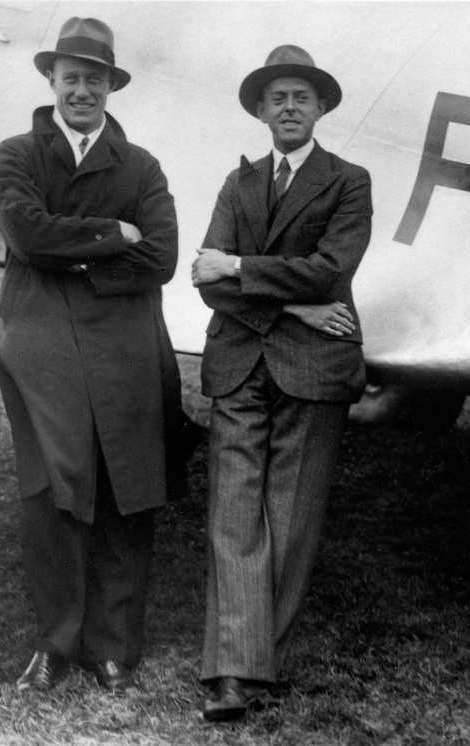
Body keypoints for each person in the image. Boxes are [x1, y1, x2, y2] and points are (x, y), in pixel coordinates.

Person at [0, 17, 180, 694]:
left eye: (94, 80)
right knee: (54, 491)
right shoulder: (17, 154)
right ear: (51, 80)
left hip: (125, 342)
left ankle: (114, 645)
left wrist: (76, 260)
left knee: (128, 487)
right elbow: (25, 233)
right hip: (38, 338)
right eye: (71, 77)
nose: (82, 90)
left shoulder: (140, 165)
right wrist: (111, 232)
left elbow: (161, 257)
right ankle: (56, 641)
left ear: (110, 86)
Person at [191, 44, 372, 722]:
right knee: (233, 514)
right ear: (261, 111)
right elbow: (206, 284)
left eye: (301, 95)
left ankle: (256, 661)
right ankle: (235, 673)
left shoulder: (349, 181)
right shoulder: (237, 186)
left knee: (290, 520)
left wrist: (236, 266)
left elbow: (331, 269)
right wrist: (289, 301)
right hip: (240, 361)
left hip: (314, 367)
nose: (289, 106)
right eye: (278, 97)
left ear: (320, 107)